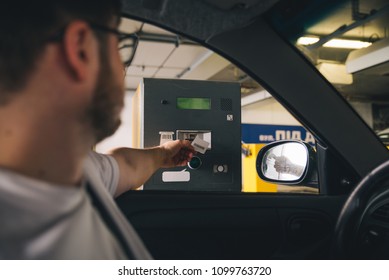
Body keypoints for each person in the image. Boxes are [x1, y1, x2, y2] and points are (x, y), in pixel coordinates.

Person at [0, 0, 194, 259]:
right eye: (120, 46)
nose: (123, 70)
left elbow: (128, 165)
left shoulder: (75, 169)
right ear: (81, 50)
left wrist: (164, 154)